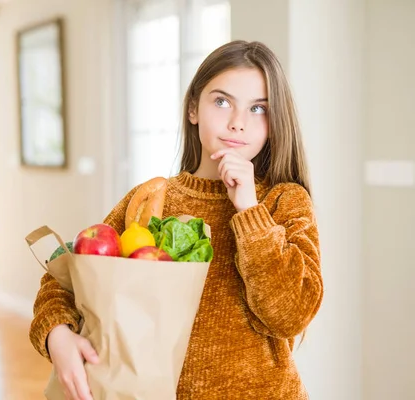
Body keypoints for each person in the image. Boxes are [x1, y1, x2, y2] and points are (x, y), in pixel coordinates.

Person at [29, 40, 322, 399]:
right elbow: (65, 280)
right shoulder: (151, 200)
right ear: (193, 108)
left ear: (275, 123)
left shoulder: (283, 201)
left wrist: (249, 211)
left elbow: (289, 315)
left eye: (258, 108)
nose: (237, 123)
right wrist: (56, 334)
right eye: (222, 101)